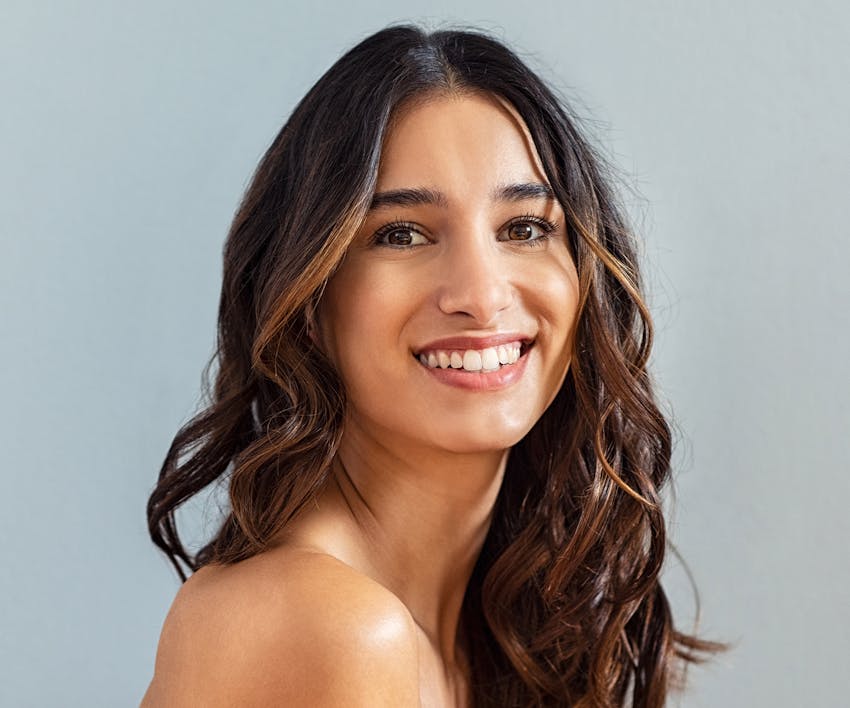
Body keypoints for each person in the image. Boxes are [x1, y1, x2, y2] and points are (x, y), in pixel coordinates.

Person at [141, 24, 720, 707]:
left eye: (525, 228)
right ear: (308, 296)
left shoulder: (498, 626)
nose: (480, 297)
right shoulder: (328, 627)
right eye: (401, 234)